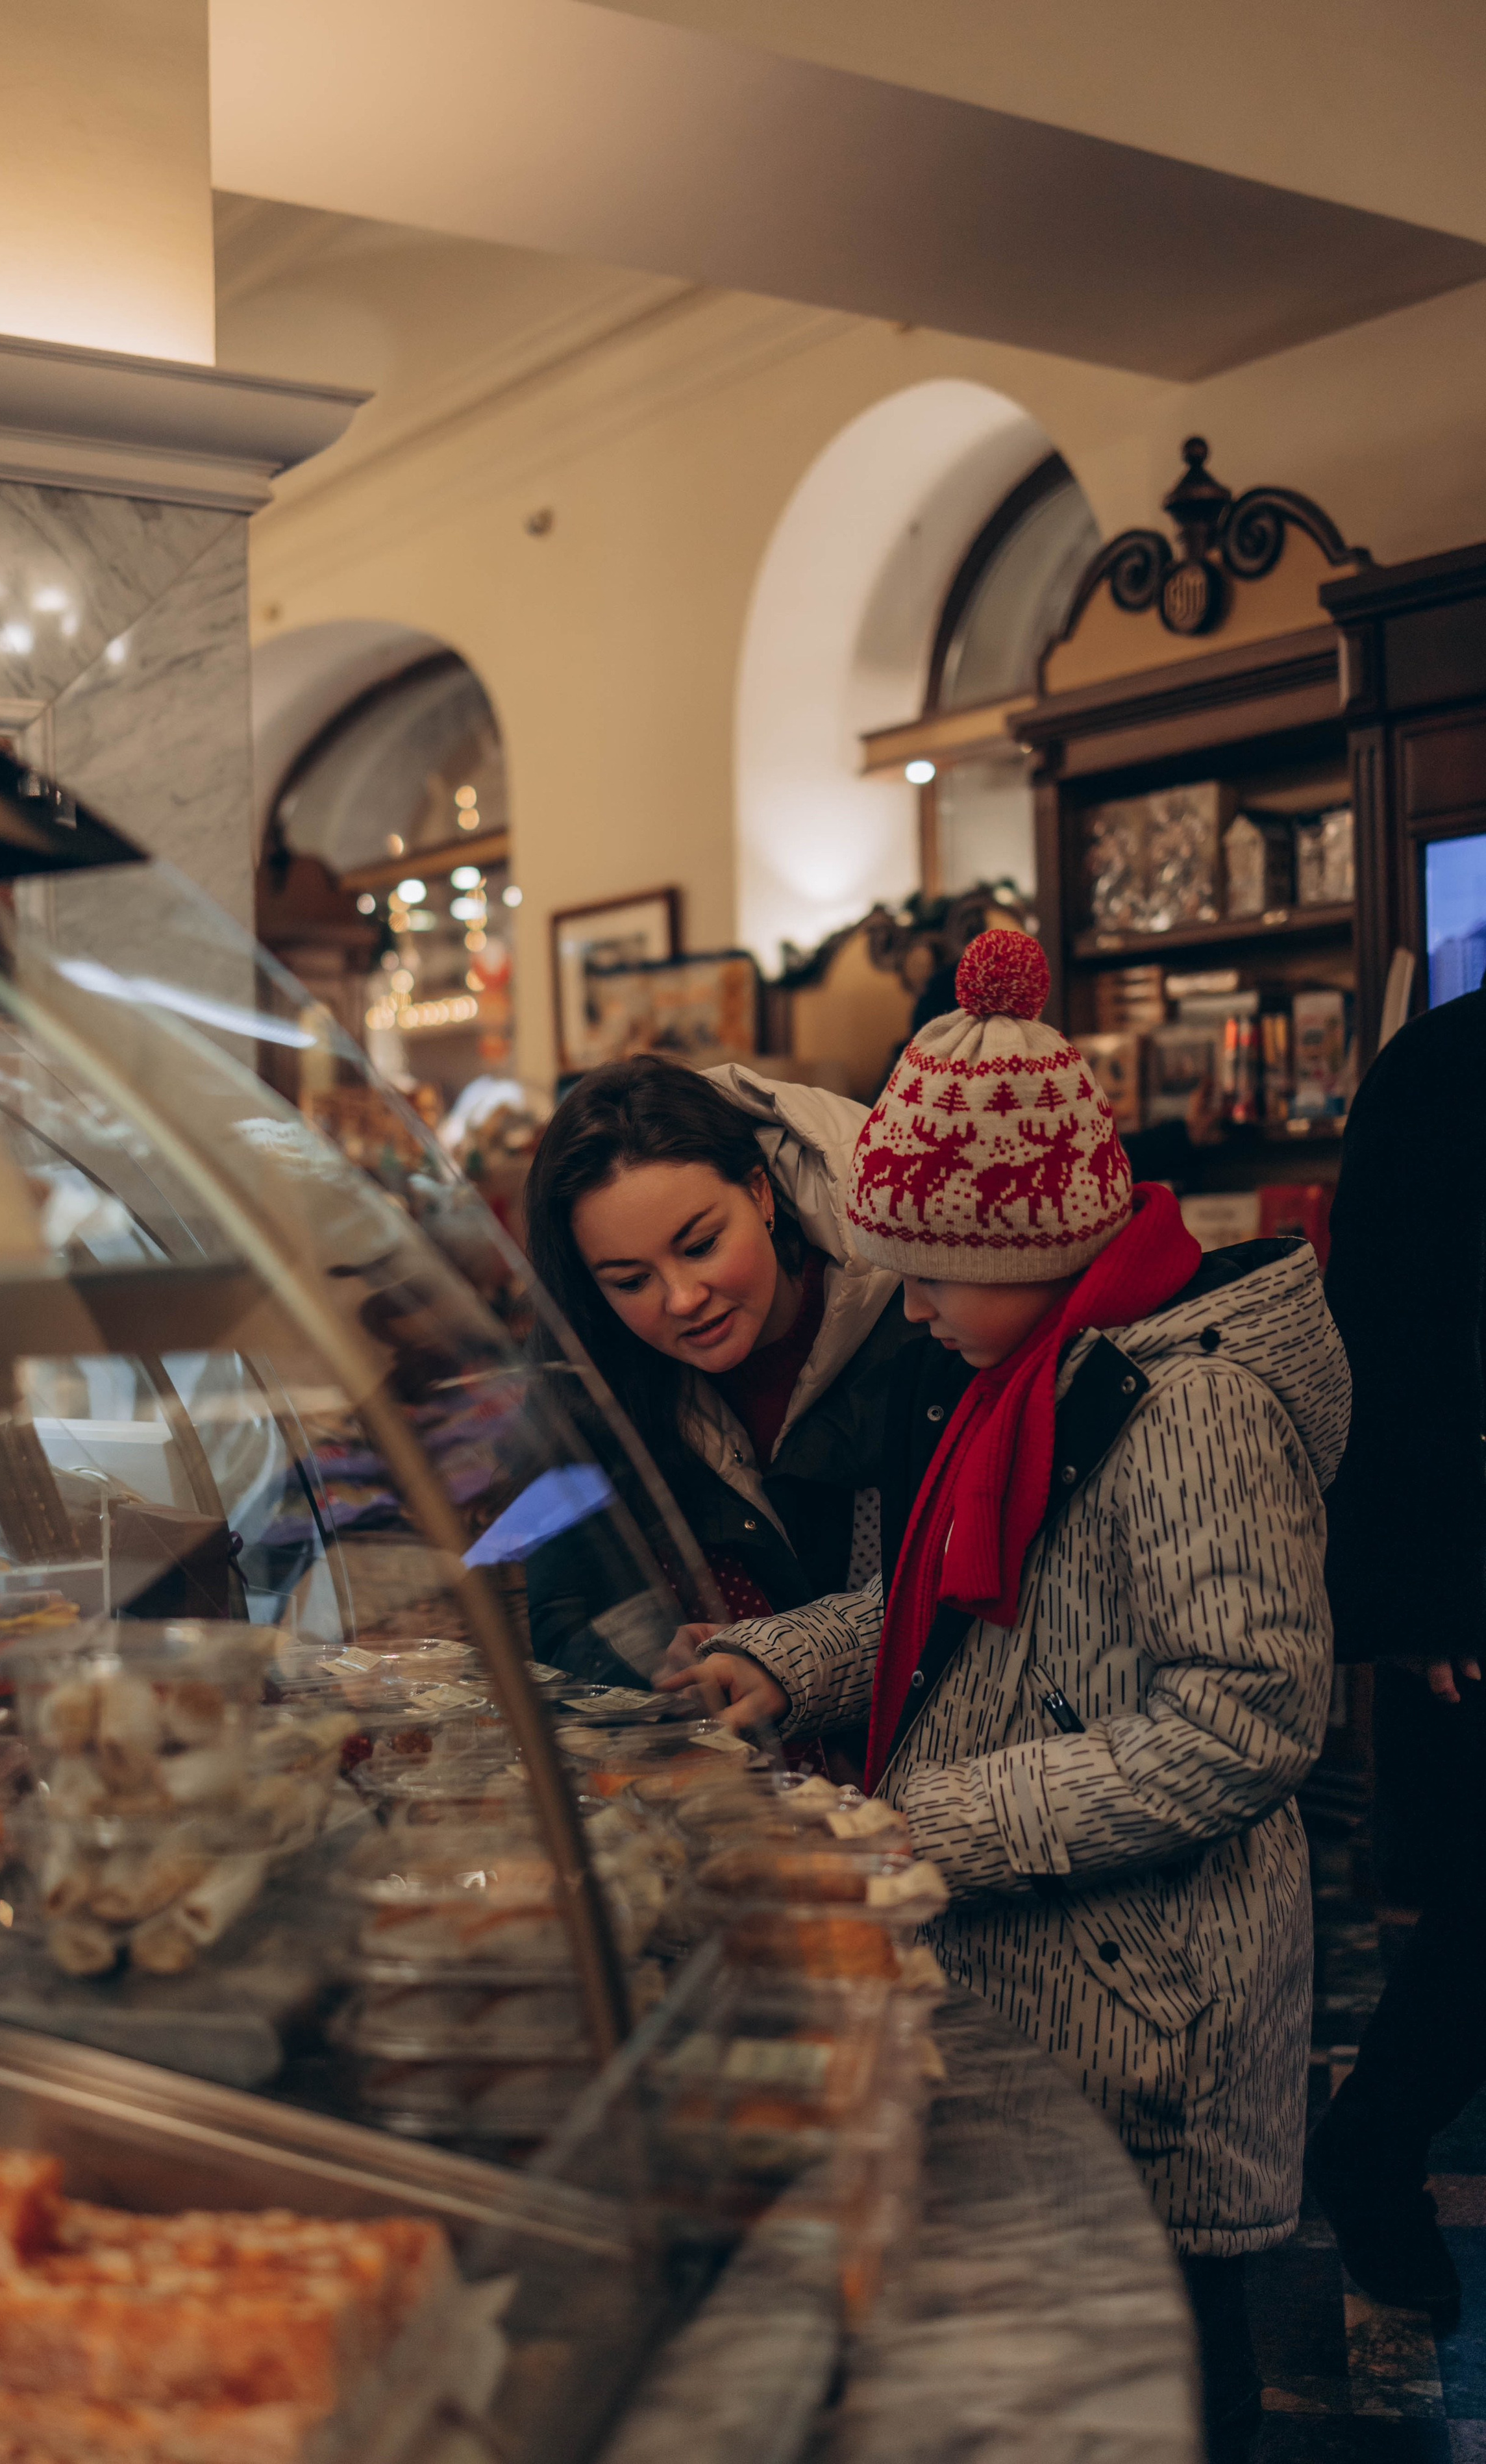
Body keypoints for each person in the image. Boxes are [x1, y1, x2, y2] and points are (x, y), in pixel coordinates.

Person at [663, 929, 1348, 2463]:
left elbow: (1242, 1717)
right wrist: (785, 1661)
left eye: (924, 1277)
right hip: (1062, 1960)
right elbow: (972, 1620)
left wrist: (928, 1819)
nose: (902, 1311)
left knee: (1164, 2375)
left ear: (1017, 1249)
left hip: (1148, 1991)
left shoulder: (1190, 1409)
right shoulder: (1035, 1374)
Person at [521, 1054, 921, 1686]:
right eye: (630, 1281)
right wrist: (652, 1660)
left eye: (701, 1245)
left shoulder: (922, 1315)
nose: (681, 1298)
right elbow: (568, 1617)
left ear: (760, 1193)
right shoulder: (588, 1373)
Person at [1303, 983, 1486, 2330]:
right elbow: (1391, 1351)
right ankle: (1372, 2147)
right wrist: (1441, 1597)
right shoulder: (1441, 1071)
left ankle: (1371, 2145)